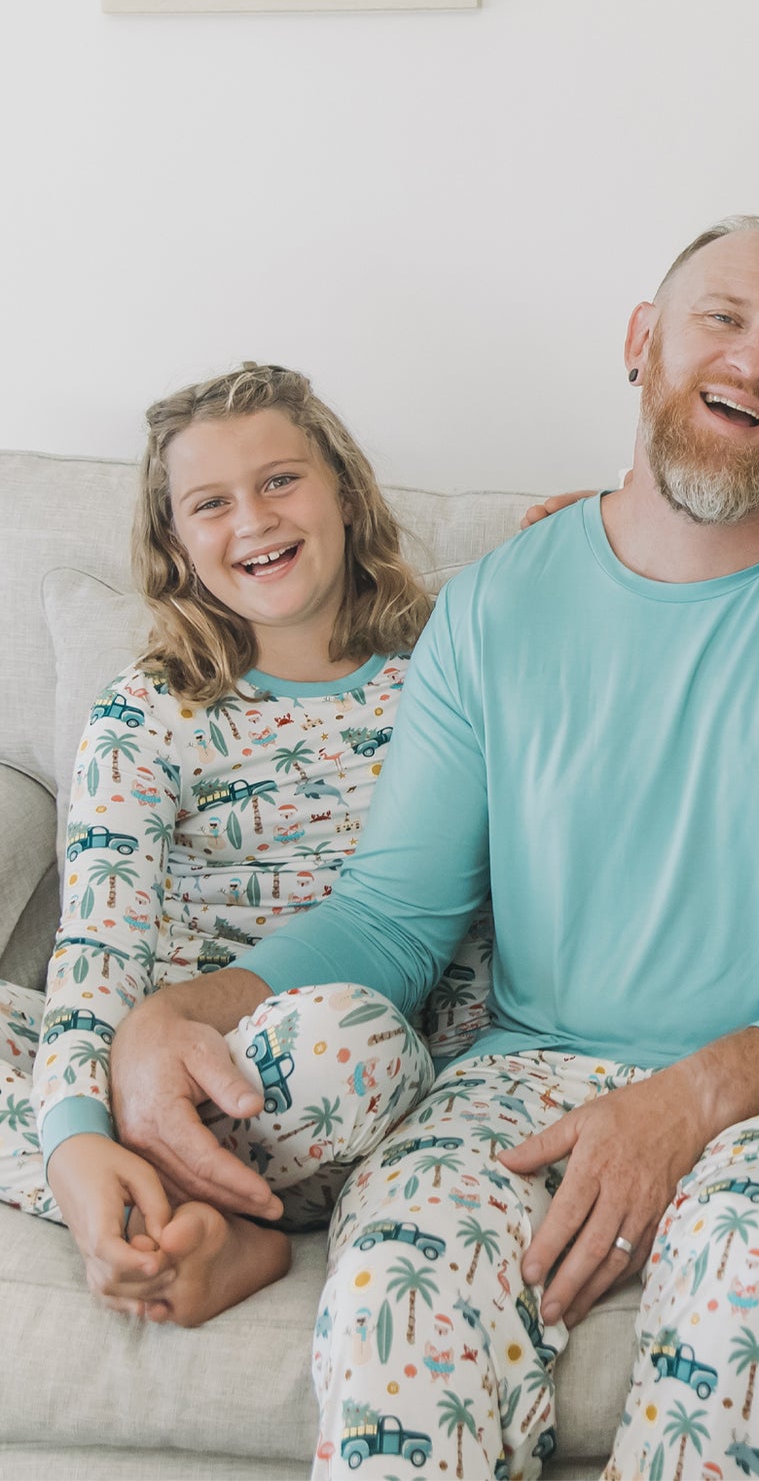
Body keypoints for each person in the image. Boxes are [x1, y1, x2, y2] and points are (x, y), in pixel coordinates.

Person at [107, 218, 759, 1481]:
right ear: (641, 341)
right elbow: (391, 917)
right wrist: (173, 1009)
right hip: (526, 1082)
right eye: (720, 318)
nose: (752, 357)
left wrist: (689, 1098)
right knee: (392, 1301)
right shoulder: (495, 603)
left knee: (753, 1305)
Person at [0, 363, 487, 1324]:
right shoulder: (149, 713)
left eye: (279, 480)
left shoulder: (442, 674)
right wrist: (75, 1138)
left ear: (344, 495)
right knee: (60, 1062)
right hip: (143, 1065)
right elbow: (96, 955)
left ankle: (191, 1207)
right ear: (176, 544)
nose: (253, 519)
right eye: (210, 502)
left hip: (330, 1077)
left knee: (349, 1040)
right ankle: (163, 1208)